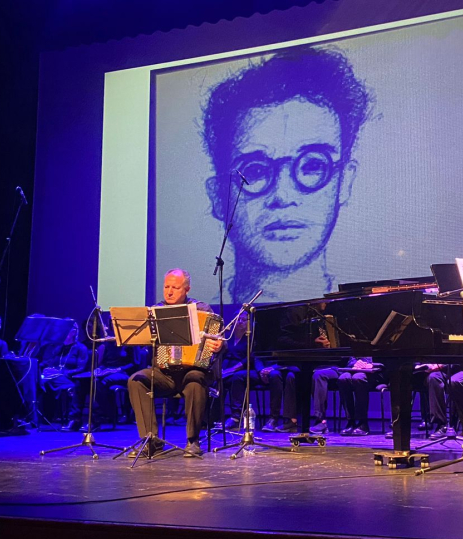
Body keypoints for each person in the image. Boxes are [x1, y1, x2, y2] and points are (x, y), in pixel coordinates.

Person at [202, 46, 372, 303]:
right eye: (255, 170)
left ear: (345, 181)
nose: (282, 195)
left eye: (313, 166)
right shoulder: (207, 323)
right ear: (217, 196)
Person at [126, 269, 225, 458]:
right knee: (135, 380)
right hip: (164, 373)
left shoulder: (201, 309)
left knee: (196, 378)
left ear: (186, 289)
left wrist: (219, 345)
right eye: (166, 287)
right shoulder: (155, 311)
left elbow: (220, 341)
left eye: (175, 287)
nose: (169, 291)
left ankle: (192, 440)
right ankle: (151, 441)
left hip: (193, 372)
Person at [310, 357, 381, 436]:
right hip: (349, 367)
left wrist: (369, 364)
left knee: (358, 378)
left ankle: (362, 422)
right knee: (343, 379)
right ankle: (350, 421)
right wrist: (354, 363)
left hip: (371, 369)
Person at [38, 322, 89, 431]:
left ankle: (73, 420)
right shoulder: (58, 348)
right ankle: (34, 417)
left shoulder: (81, 348)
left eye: (69, 328)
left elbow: (82, 368)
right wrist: (47, 369)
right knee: (37, 382)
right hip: (55, 377)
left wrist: (62, 372)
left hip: (70, 378)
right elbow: (50, 362)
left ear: (75, 331)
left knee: (61, 385)